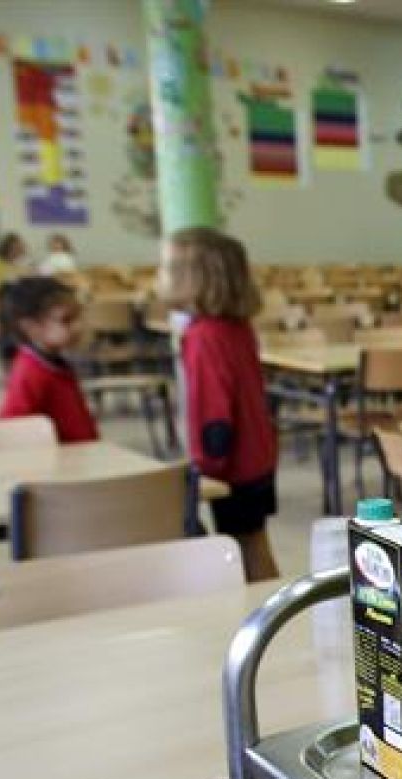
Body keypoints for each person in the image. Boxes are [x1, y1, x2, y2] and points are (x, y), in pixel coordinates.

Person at [161, 227, 281, 582]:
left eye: (168, 268)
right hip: (258, 454)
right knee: (254, 541)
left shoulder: (203, 337)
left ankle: (268, 619)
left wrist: (205, 467)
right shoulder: (236, 327)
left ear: (192, 278)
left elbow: (212, 410)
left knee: (244, 546)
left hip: (231, 464)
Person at [0, 276, 97, 442]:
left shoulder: (54, 362)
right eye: (66, 320)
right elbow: (11, 426)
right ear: (31, 327)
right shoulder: (30, 372)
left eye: (78, 317)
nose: (78, 326)